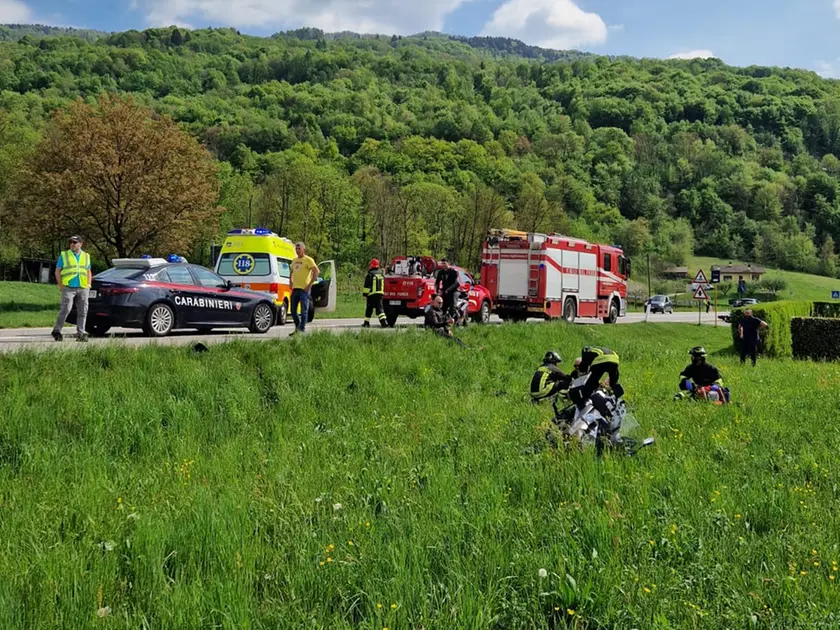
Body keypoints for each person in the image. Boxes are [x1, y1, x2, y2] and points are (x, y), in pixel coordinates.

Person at [52, 235, 92, 342]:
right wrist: (61, 285)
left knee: (83, 310)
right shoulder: (64, 255)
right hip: (68, 286)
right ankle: (57, 330)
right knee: (66, 309)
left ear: (80, 244)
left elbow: (88, 271)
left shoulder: (86, 256)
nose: (72, 244)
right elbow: (57, 271)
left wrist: (89, 284)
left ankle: (81, 333)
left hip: (83, 287)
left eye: (75, 242)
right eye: (71, 242)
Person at [290, 242, 319, 335]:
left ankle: (301, 329)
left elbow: (316, 271)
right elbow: (291, 272)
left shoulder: (308, 260)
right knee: (293, 311)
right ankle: (297, 327)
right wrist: (290, 281)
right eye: (296, 249)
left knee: (304, 311)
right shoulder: (294, 260)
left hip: (304, 289)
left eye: (299, 249)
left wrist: (310, 285)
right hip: (295, 288)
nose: (297, 251)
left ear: (303, 250)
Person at [362, 258, 387, 328]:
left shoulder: (370, 274)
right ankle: (384, 322)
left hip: (372, 295)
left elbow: (367, 286)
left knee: (369, 309)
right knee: (380, 309)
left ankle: (366, 323)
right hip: (380, 294)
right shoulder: (381, 273)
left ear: (371, 265)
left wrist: (365, 294)